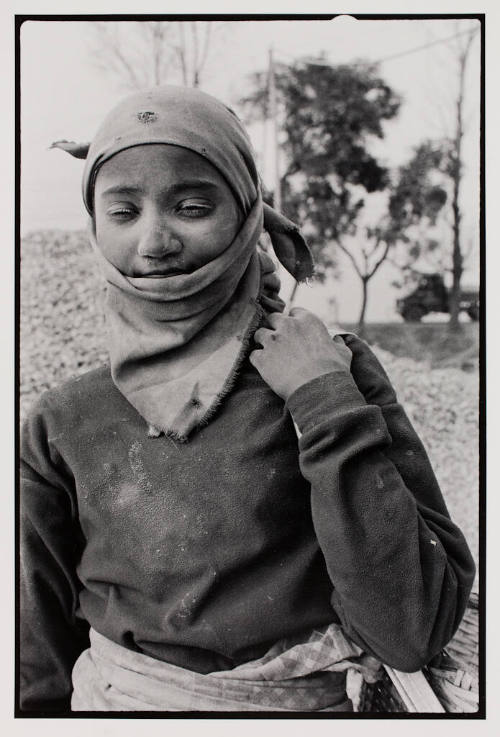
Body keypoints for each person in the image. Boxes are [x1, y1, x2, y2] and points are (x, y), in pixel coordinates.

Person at [20, 85, 475, 713]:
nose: (155, 241)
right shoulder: (63, 422)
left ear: (246, 215)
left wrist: (322, 399)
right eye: (123, 212)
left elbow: (411, 629)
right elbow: (35, 658)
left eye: (191, 205)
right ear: (94, 224)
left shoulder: (328, 370)